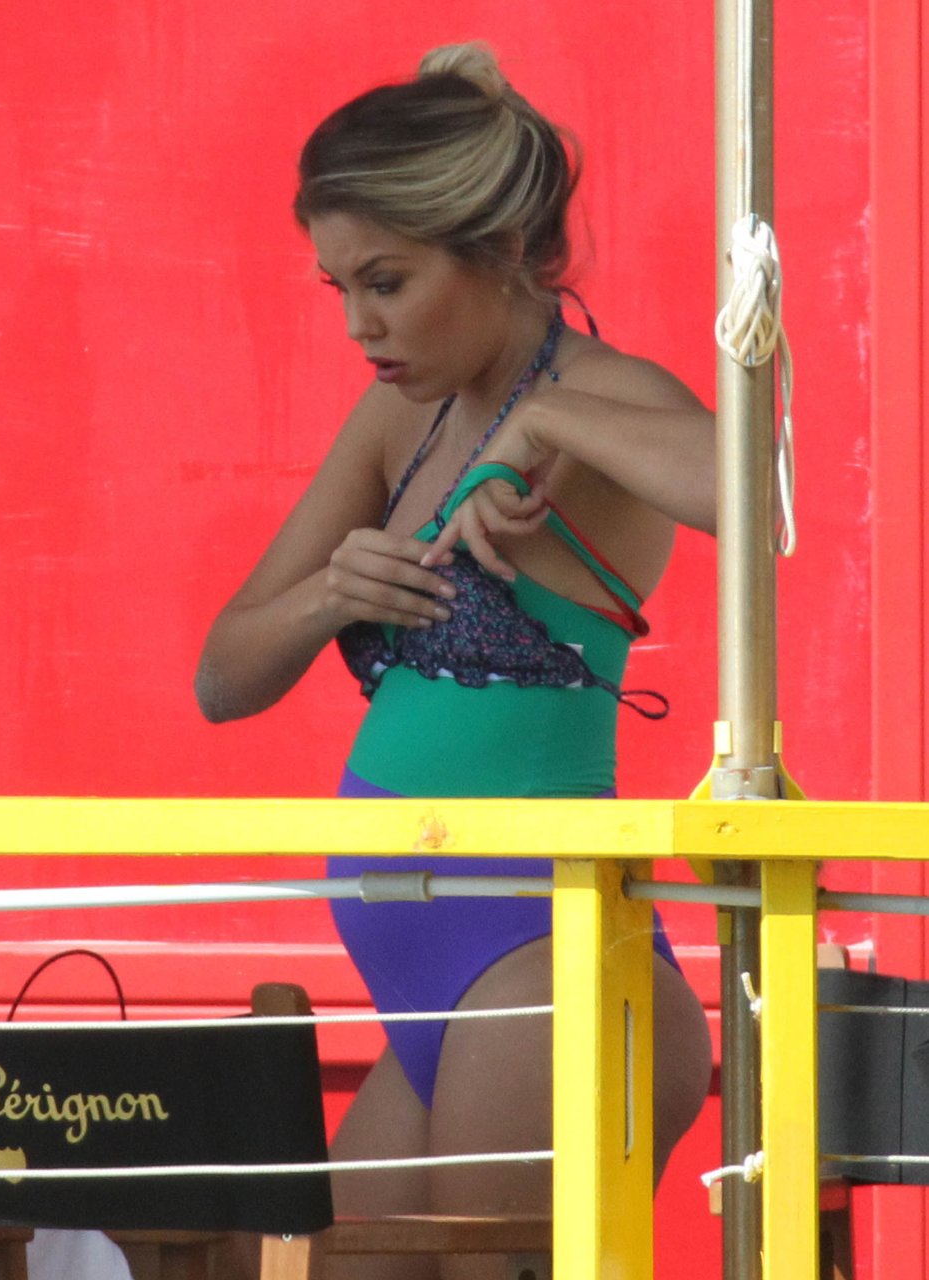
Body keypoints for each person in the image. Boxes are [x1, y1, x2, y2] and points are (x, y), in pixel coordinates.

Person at [196, 41, 713, 1278]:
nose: (358, 323)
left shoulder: (606, 396)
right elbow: (222, 678)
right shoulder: (402, 414)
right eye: (337, 286)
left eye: (386, 280)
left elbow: (755, 491)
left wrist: (543, 419)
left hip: (542, 959)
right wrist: (330, 591)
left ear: (494, 248)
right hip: (433, 992)